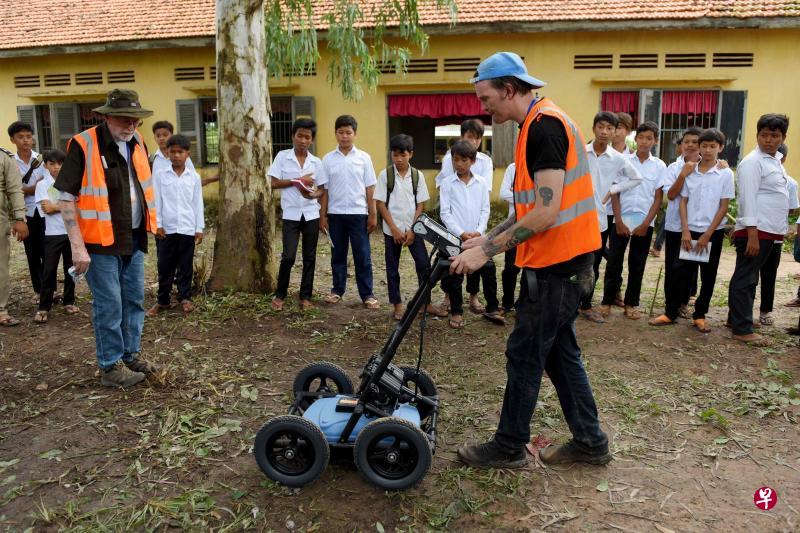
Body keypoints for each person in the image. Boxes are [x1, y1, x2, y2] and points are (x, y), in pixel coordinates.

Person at [454, 52, 610, 468]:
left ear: (509, 89)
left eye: (486, 97)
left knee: (526, 353)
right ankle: (591, 442)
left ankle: (508, 447)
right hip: (559, 262)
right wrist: (484, 237)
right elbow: (528, 206)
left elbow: (546, 211)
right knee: (560, 355)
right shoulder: (532, 126)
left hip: (559, 266)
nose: (482, 107)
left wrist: (485, 253)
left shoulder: (545, 127)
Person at [55, 88, 161, 388]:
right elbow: (64, 196)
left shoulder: (138, 142)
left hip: (134, 237)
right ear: (106, 116)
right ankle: (110, 366)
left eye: (135, 120)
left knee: (134, 300)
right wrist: (77, 246)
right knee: (109, 304)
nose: (130, 126)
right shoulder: (84, 144)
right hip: (100, 244)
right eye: (123, 119)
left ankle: (130, 355)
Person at [728, 114, 790, 345]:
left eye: (774, 136)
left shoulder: (774, 160)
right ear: (757, 136)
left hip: (770, 231)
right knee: (745, 277)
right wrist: (752, 234)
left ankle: (740, 319)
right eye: (764, 135)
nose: (768, 140)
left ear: (783, 137)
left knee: (751, 277)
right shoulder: (752, 162)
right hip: (756, 231)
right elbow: (748, 199)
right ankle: (742, 329)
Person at [578, 111, 642, 323]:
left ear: (615, 132)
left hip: (598, 220)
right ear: (594, 128)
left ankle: (586, 305)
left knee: (593, 264)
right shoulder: (579, 152)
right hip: (576, 217)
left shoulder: (617, 159)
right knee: (570, 262)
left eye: (609, 128)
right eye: (601, 127)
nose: (604, 132)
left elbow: (636, 178)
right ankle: (569, 302)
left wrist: (615, 189)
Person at [374, 134, 447, 321]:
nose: (399, 159)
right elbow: (381, 204)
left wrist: (413, 229)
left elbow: (420, 205)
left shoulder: (417, 176)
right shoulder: (385, 175)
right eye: (395, 155)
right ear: (391, 154)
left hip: (414, 230)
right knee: (392, 268)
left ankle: (425, 302)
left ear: (411, 154)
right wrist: (395, 229)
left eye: (403, 155)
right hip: (392, 231)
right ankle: (397, 305)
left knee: (423, 265)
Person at [601, 121, 665, 319]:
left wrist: (646, 223)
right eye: (641, 137)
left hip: (644, 222)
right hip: (622, 219)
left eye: (649, 138)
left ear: (655, 141)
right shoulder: (623, 161)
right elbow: (615, 193)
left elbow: (658, 198)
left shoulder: (659, 165)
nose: (644, 142)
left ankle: (631, 304)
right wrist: (618, 221)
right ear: (635, 139)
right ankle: (607, 301)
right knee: (614, 262)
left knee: (637, 263)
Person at [675, 129, 734, 333]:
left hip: (712, 232)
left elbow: (724, 207)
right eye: (704, 146)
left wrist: (708, 235)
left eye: (713, 146)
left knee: (707, 275)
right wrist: (685, 231)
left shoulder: (725, 173)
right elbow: (683, 202)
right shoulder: (690, 170)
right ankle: (672, 311)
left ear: (720, 148)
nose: (708, 150)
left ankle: (699, 315)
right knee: (684, 272)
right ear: (699, 147)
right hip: (690, 230)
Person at [440, 140, 503, 328]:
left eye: (464, 160)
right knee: (455, 273)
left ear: (473, 161)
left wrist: (479, 231)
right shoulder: (447, 183)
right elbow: (445, 212)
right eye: (455, 160)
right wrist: (461, 233)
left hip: (477, 237)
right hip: (455, 238)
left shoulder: (482, 183)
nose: (459, 164)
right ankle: (457, 311)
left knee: (488, 268)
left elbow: (485, 209)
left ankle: (492, 308)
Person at [320, 115, 380, 309]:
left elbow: (370, 188)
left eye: (348, 132)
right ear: (335, 134)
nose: (344, 136)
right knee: (337, 254)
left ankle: (367, 294)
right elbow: (325, 190)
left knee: (362, 255)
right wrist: (323, 216)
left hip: (358, 214)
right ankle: (337, 290)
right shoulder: (328, 159)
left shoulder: (364, 158)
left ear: (355, 134)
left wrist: (373, 214)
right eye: (340, 132)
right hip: (335, 214)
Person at [268, 118, 326, 312]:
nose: (303, 140)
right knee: (288, 256)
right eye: (299, 135)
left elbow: (322, 190)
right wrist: (297, 181)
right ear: (293, 136)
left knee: (310, 257)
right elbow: (273, 183)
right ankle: (280, 294)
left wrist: (312, 194)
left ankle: (305, 296)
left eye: (307, 137)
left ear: (312, 140)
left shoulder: (316, 162)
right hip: (291, 214)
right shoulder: (282, 157)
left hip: (311, 214)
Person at [649, 128, 703, 327]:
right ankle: (670, 307)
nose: (690, 145)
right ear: (681, 145)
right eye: (686, 141)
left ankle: (684, 302)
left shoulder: (708, 166)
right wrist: (683, 174)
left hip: (698, 226)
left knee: (691, 268)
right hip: (675, 226)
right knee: (674, 267)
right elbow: (671, 195)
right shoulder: (673, 167)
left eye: (695, 142)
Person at [148, 134, 204, 317]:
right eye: (172, 152)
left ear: (188, 153)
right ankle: (162, 300)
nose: (176, 155)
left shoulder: (193, 177)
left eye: (180, 152)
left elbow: (197, 203)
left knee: (185, 265)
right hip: (167, 229)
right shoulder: (160, 175)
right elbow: (156, 201)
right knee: (165, 265)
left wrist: (199, 228)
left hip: (187, 227)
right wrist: (158, 225)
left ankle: (184, 297)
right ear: (168, 153)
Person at [34, 149, 79, 323]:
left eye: (60, 163)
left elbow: (76, 205)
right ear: (45, 165)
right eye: (52, 163)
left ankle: (69, 301)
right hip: (52, 234)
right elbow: (47, 208)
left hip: (71, 232)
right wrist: (66, 205)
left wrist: (57, 206)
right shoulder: (42, 185)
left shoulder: (70, 182)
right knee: (49, 270)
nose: (56, 167)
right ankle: (44, 306)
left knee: (71, 268)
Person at [9, 121, 47, 294]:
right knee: (32, 253)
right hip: (25, 214)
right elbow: (12, 191)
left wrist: (25, 190)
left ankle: (49, 288)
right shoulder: (9, 162)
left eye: (28, 137)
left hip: (45, 212)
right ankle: (39, 290)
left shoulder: (42, 160)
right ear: (12, 140)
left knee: (48, 252)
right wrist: (34, 188)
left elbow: (49, 187)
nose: (25, 140)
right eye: (20, 137)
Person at [761, 144, 798, 320]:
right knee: (757, 274)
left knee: (768, 273)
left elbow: (791, 209)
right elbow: (791, 209)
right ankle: (757, 313)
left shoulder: (790, 182)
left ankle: (765, 311)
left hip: (775, 235)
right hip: (760, 233)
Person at [0, 146, 28, 326]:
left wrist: (20, 218)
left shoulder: (4, 157)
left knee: (0, 264)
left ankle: (1, 308)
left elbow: (15, 189)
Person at [435, 119, 495, 192]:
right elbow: (446, 187)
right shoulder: (449, 158)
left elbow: (486, 189)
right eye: (470, 137)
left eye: (477, 138)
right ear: (462, 137)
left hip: (477, 202)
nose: (474, 141)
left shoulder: (486, 161)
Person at [499, 163, 520, 314]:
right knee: (510, 267)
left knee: (532, 269)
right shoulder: (513, 168)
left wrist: (516, 193)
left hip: (537, 225)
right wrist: (529, 196)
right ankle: (507, 303)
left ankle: (525, 304)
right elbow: (503, 193)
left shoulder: (540, 167)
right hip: (513, 226)